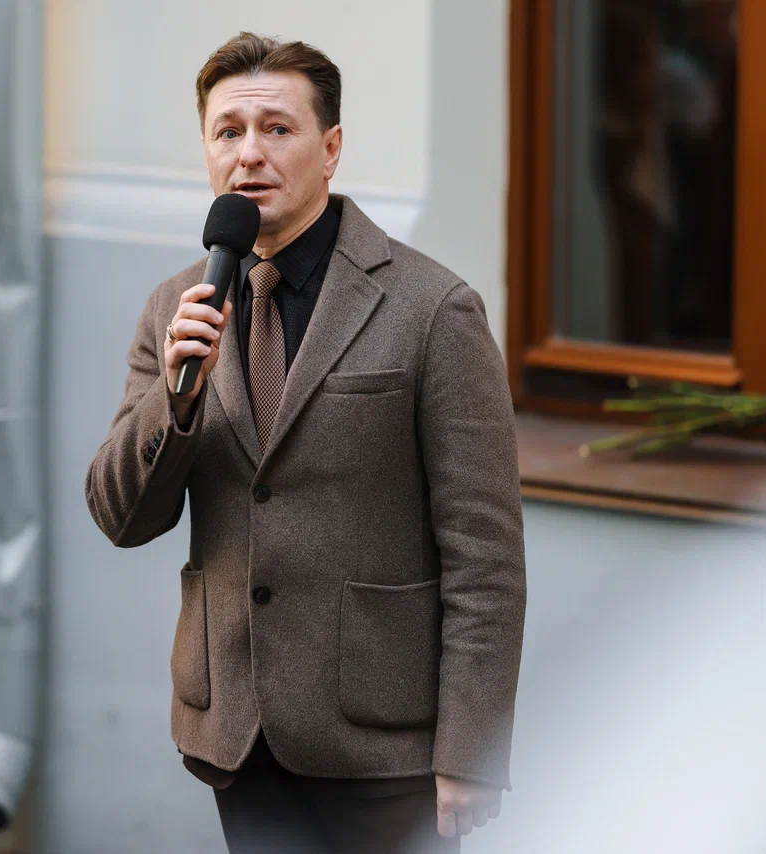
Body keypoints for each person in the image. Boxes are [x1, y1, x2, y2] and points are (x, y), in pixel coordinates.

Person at [85, 31, 526, 854]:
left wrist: (472, 749)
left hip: (384, 741)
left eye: (277, 129)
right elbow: (121, 517)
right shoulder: (176, 309)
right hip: (237, 731)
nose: (249, 153)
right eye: (228, 131)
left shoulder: (434, 310)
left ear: (330, 149)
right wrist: (176, 400)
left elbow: (485, 555)